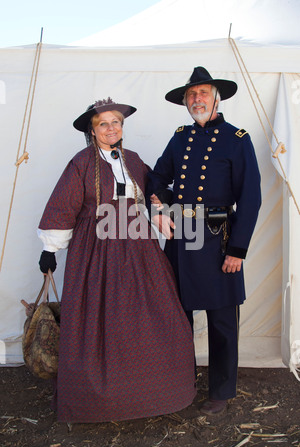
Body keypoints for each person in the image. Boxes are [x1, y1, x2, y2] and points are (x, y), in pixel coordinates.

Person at [37, 98, 196, 423]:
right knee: (99, 317)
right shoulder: (81, 163)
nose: (111, 128)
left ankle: (155, 390)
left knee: (154, 313)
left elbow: (154, 193)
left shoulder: (134, 160)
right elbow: (64, 203)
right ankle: (99, 399)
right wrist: (50, 248)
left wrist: (163, 209)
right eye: (103, 124)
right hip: (95, 252)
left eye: (116, 122)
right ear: (92, 131)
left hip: (139, 249)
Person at [147, 67, 261, 416]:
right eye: (191, 95)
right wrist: (161, 207)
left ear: (217, 98)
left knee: (222, 322)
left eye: (203, 93)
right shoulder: (179, 137)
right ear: (186, 102)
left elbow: (251, 196)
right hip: (181, 239)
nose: (197, 99)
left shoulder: (237, 138)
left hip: (218, 241)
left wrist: (237, 250)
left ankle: (221, 393)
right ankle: (178, 385)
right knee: (177, 316)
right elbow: (156, 178)